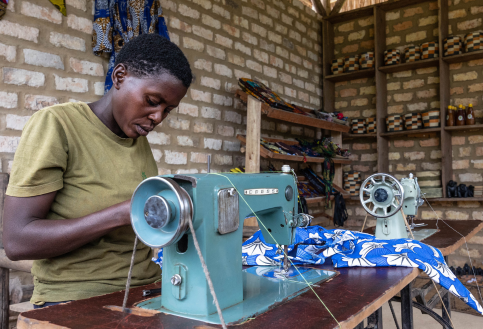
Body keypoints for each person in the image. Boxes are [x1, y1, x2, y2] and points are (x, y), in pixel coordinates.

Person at [3, 34, 192, 307]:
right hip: (77, 300)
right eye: (152, 101)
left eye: (168, 110)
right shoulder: (58, 125)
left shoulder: (137, 140)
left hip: (147, 288)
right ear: (119, 76)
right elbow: (18, 241)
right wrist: (121, 214)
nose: (158, 117)